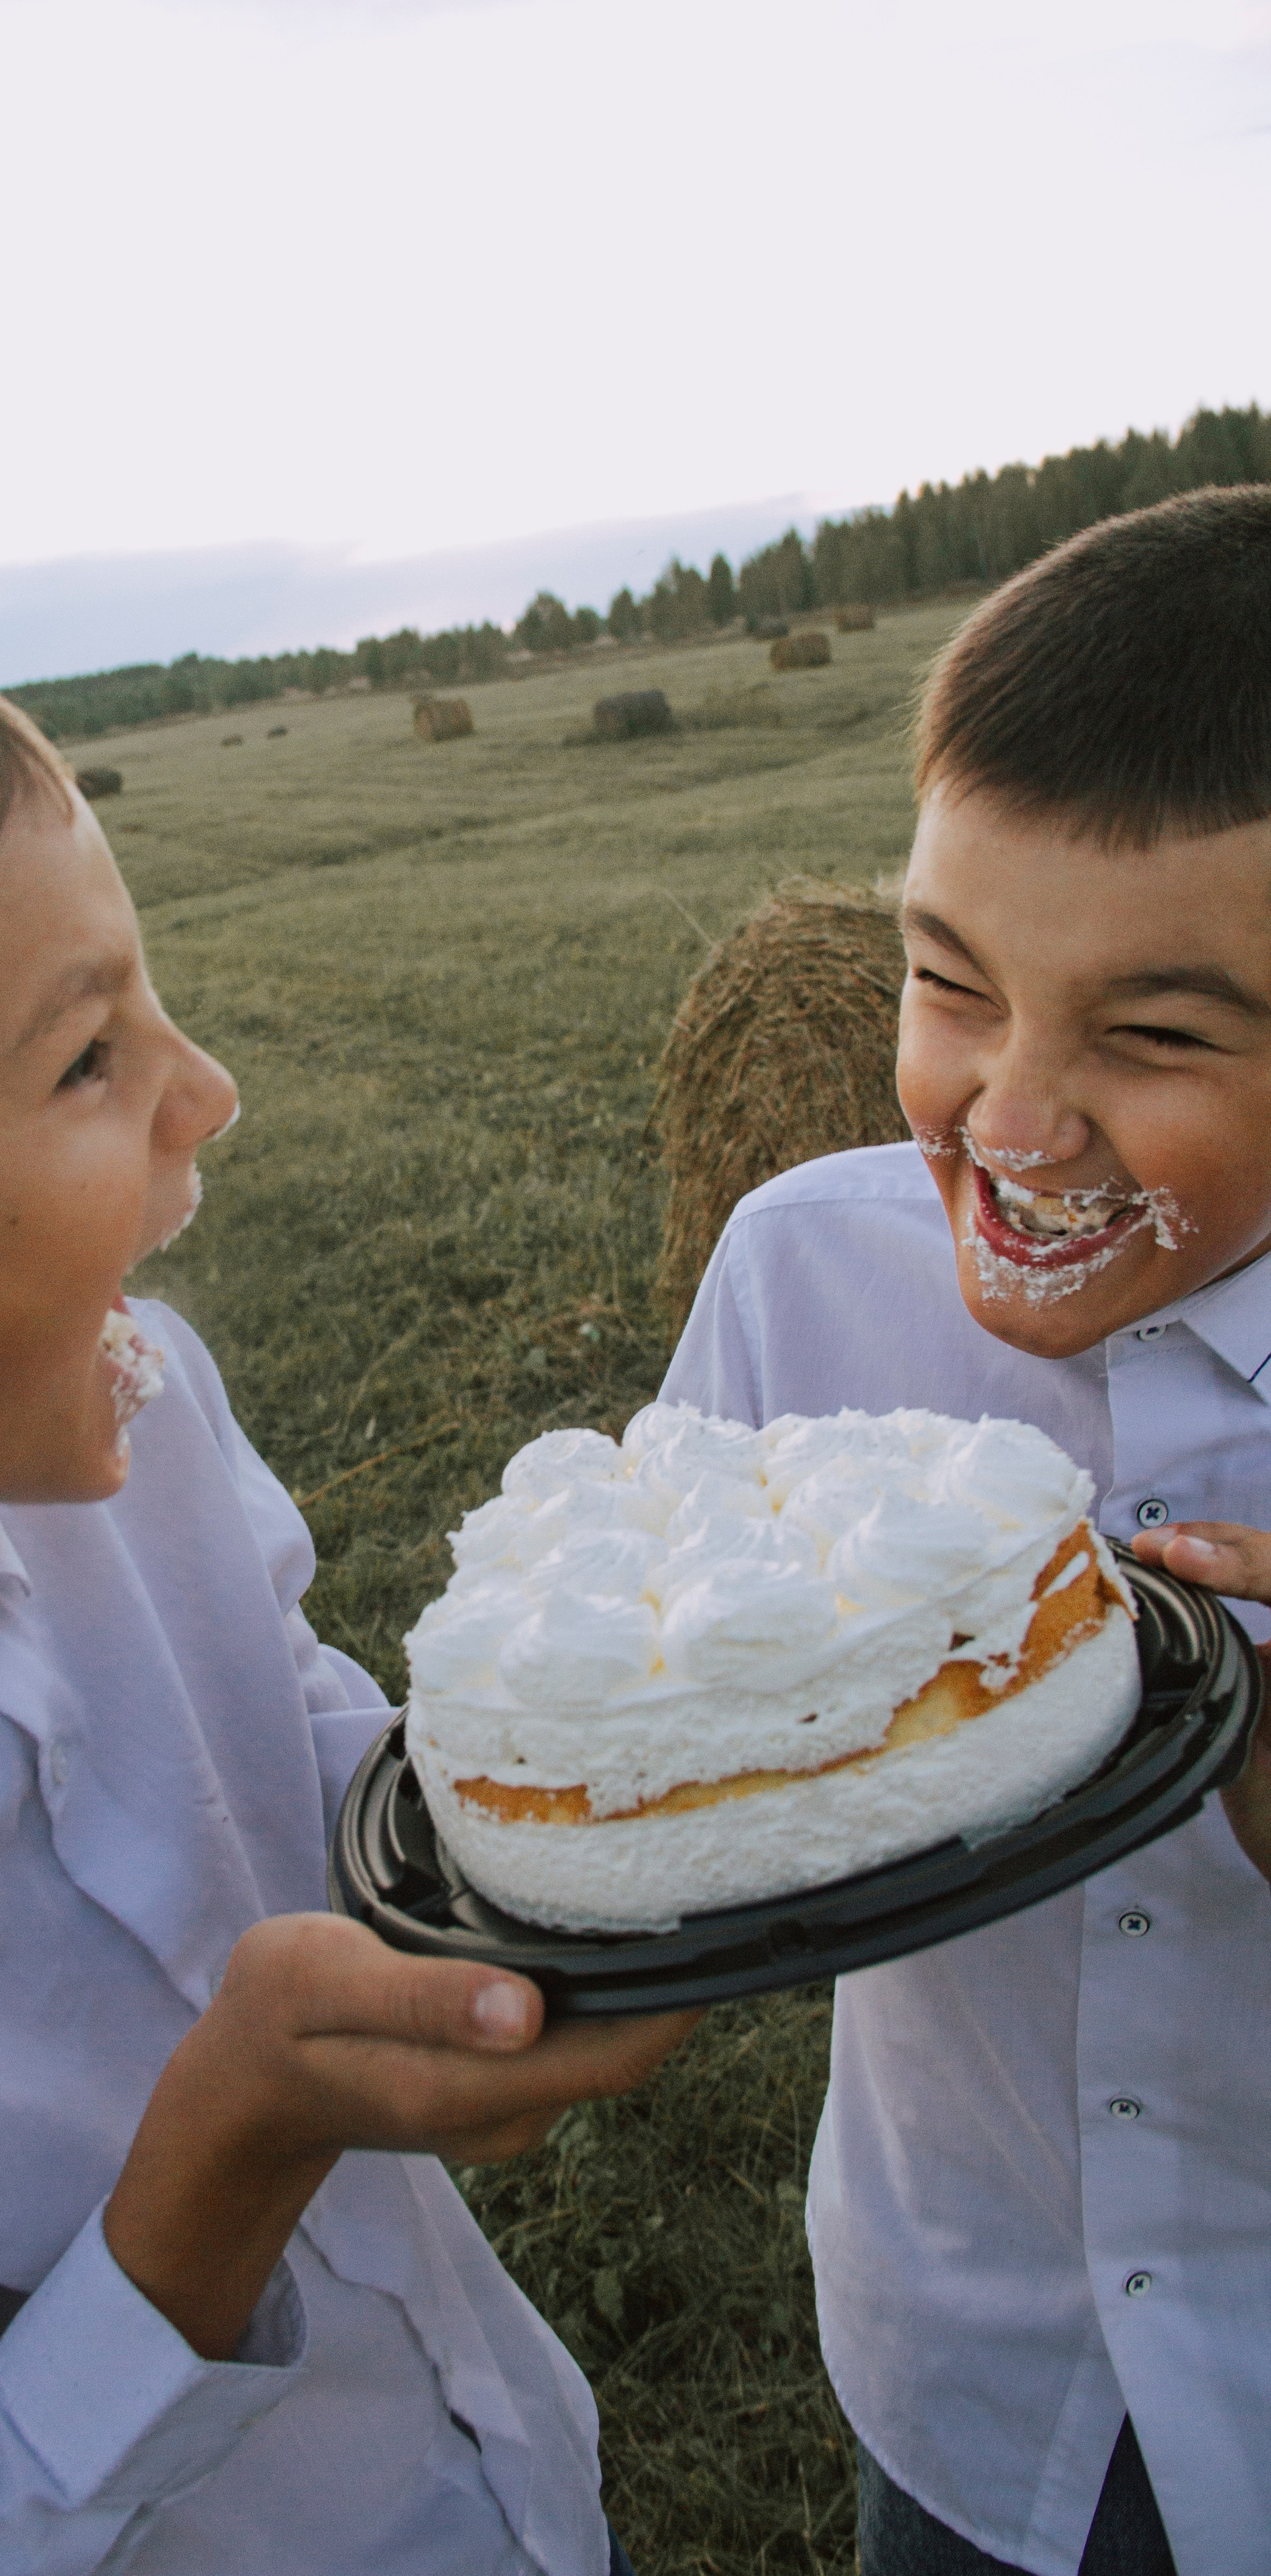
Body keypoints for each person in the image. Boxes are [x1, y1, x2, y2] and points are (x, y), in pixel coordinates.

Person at [0, 627, 694, 2576]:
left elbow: (323, 1755)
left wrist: (597, 1783)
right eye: (88, 1055)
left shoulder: (136, 1421)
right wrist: (214, 2172)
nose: (211, 1092)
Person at [662, 484, 1271, 2576]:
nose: (1008, 1119)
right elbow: (665, 1718)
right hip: (974, 2374)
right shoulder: (802, 1276)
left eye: (1157, 1033)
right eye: (950, 984)